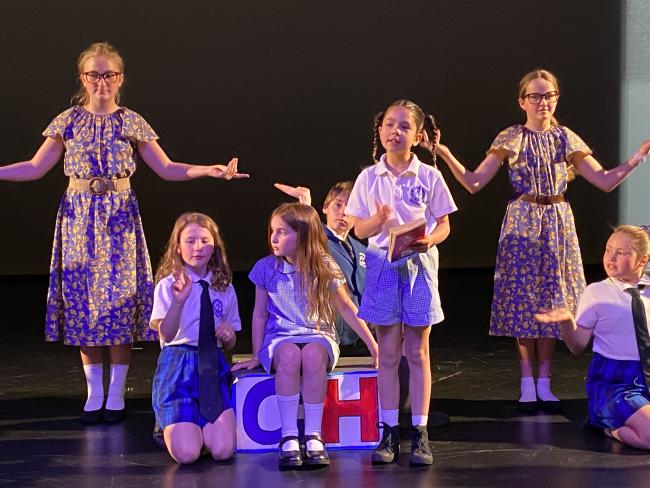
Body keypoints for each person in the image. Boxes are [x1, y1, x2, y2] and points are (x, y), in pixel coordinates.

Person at [0, 42, 248, 424]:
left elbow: (167, 168)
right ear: (83, 78)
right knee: (84, 303)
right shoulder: (67, 121)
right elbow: (35, 167)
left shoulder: (131, 122)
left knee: (119, 301)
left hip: (119, 220)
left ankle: (116, 392)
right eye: (94, 75)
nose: (102, 81)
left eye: (109, 75)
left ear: (120, 79)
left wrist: (209, 170)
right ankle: (93, 392)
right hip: (79, 218)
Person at [433, 69, 650, 414]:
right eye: (535, 96)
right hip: (523, 219)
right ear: (522, 101)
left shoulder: (565, 137)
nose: (542, 102)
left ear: (556, 99)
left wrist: (636, 160)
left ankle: (545, 381)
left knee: (554, 296)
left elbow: (604, 180)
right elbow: (474, 182)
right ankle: (525, 380)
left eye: (548, 95)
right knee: (523, 297)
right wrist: (444, 153)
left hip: (558, 220)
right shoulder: (512, 137)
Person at [345, 99, 457, 466]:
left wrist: (430, 240)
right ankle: (388, 430)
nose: (396, 131)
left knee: (418, 351)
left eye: (404, 126)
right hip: (381, 264)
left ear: (418, 135)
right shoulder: (368, 178)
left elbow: (444, 223)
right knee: (388, 352)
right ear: (379, 131)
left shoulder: (429, 176)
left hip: (419, 264)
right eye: (389, 124)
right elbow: (358, 229)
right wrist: (376, 221)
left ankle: (419, 432)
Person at [233, 203, 378, 469]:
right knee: (289, 354)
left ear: (303, 235)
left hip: (318, 334)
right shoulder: (265, 268)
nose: (274, 238)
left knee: (311, 354)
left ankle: (313, 434)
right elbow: (259, 315)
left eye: (283, 232)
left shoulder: (323, 264)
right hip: (280, 337)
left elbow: (347, 307)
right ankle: (288, 436)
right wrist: (256, 353)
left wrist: (374, 347)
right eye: (272, 231)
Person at [535, 225, 650, 450]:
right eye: (608, 250)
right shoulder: (597, 292)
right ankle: (607, 427)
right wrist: (567, 322)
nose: (611, 258)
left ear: (642, 260)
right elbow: (577, 346)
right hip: (616, 383)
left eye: (621, 252)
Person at [150, 212, 239, 463]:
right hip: (179, 364)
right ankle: (172, 425)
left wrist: (229, 334)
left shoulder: (225, 288)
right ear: (178, 248)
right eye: (190, 241)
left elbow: (230, 343)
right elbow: (165, 335)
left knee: (222, 451)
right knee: (187, 455)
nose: (197, 248)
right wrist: (178, 303)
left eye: (204, 240)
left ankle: (201, 427)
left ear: (214, 247)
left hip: (212, 363)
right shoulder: (168, 286)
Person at [274, 181, 367, 348]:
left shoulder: (362, 250)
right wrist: (305, 205)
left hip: (359, 335)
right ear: (325, 207)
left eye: (351, 208)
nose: (343, 212)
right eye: (338, 205)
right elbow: (305, 236)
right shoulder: (316, 239)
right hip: (329, 331)